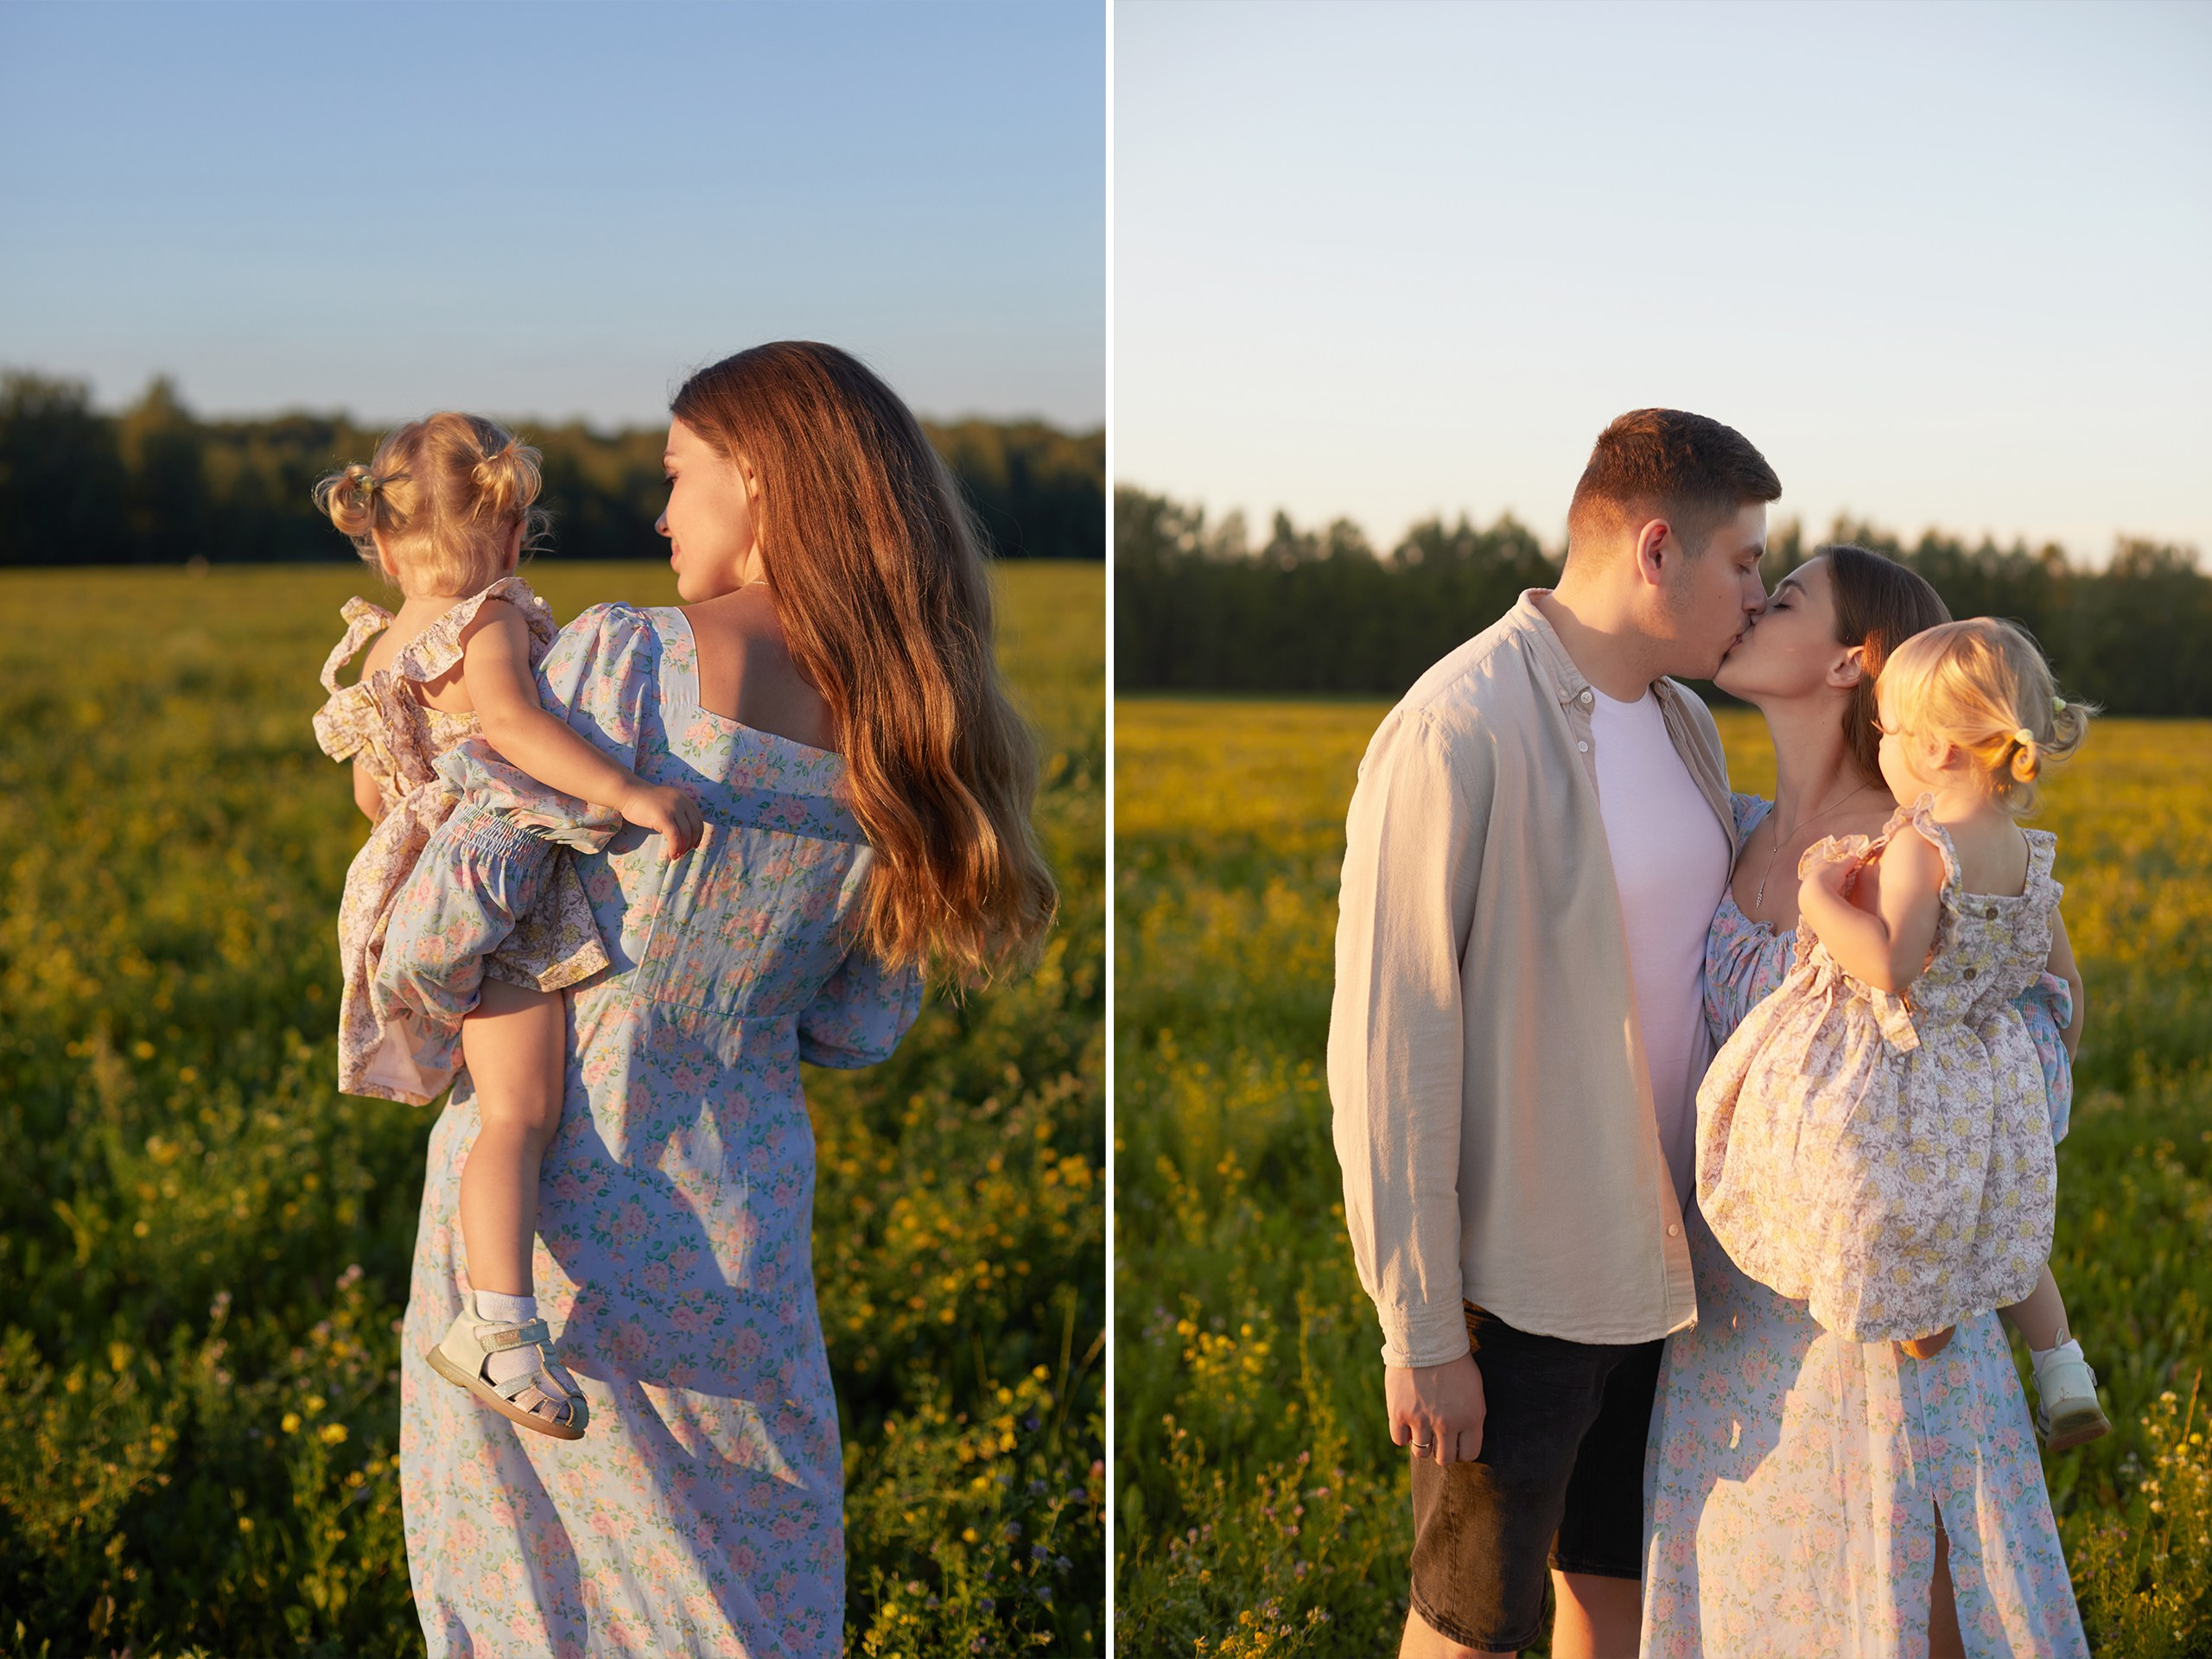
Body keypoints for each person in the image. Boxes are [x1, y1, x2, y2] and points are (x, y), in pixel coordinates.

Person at [372, 343, 1058, 1656]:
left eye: (678, 473)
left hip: (541, 1242)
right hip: (739, 1237)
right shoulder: (911, 731)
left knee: (538, 1608)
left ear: (758, 474)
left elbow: (430, 946)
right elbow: (858, 1027)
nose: (661, 512)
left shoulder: (622, 664)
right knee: (737, 1603)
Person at [1329, 409, 1776, 1657]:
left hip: (1665, 1260)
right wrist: (1419, 1327)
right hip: (1516, 1284)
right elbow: (1390, 1045)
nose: (1758, 591)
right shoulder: (1456, 728)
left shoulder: (1682, 722)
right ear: (1654, 550)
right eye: (1742, 562)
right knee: (1471, 1622)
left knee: (1616, 1599)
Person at [1643, 550, 2093, 1658]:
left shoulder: (1915, 846)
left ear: (1852, 663)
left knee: (1900, 1583)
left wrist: (1948, 1161)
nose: (1752, 601)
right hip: (1733, 1294)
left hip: (1885, 1281)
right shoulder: (1728, 826)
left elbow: (2043, 1010)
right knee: (1762, 1589)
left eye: (1783, 595)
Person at [310, 413, 702, 1438]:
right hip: (493, 890)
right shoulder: (487, 620)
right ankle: (498, 1326)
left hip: (415, 897)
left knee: (501, 1106)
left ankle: (497, 1315)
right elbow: (518, 727)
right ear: (515, 528)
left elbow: (367, 796)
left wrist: (422, 823)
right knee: (519, 1116)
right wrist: (625, 791)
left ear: (385, 543)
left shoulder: (385, 643)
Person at [1700, 616, 2105, 1413]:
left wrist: (1819, 897)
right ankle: (2062, 1368)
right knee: (1995, 1218)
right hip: (1985, 1069)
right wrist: (2036, 1077)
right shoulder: (2028, 852)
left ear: (1939, 751)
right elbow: (2067, 989)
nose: (1878, 748)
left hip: (1913, 1066)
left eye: (1888, 732)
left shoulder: (1924, 845)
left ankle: (1921, 1321)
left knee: (1879, 1192)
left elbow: (1889, 963)